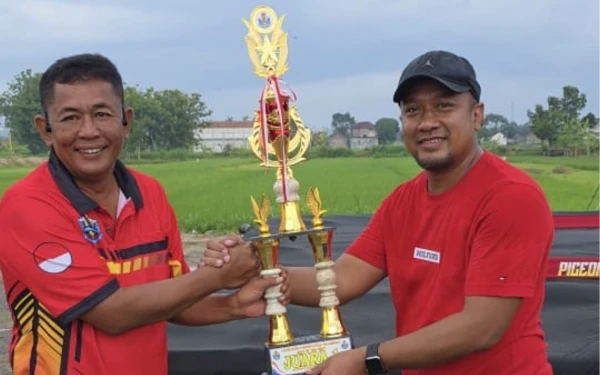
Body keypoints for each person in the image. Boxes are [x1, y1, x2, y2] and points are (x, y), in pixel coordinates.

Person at [202, 50, 555, 375]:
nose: (427, 122)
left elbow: (482, 327)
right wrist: (257, 266)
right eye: (413, 110)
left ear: (476, 115)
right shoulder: (404, 201)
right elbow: (341, 279)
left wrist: (366, 358)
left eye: (444, 106)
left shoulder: (509, 198)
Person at [0, 53, 290, 375]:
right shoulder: (28, 206)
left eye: (102, 113)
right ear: (46, 129)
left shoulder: (149, 193)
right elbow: (110, 313)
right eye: (70, 118)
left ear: (126, 122)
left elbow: (173, 295)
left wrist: (233, 304)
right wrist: (216, 277)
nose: (89, 131)